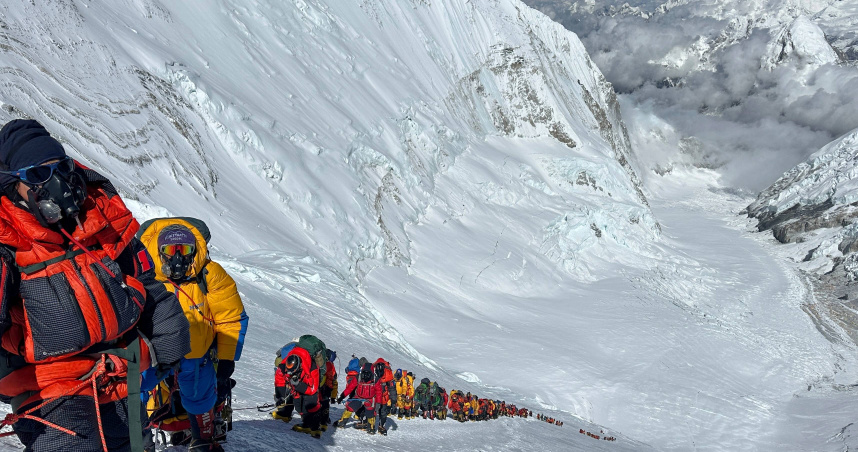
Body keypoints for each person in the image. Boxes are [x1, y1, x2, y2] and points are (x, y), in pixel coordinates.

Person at [0, 119, 191, 451]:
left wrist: (167, 339)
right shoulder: (7, 242)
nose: (55, 183)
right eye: (37, 176)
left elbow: (144, 281)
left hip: (115, 370)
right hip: (48, 384)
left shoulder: (98, 220)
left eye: (60, 168)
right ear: (11, 186)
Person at [139, 217, 248, 451]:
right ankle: (136, 441)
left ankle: (202, 439)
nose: (177, 257)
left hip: (196, 355)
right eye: (170, 250)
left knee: (199, 396)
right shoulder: (145, 274)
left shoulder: (210, 275)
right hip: (155, 354)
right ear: (159, 252)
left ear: (195, 251)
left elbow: (230, 317)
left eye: (185, 250)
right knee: (135, 389)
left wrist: (227, 358)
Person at [282, 345, 323, 438]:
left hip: (309, 388)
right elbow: (286, 375)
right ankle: (306, 423)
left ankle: (315, 428)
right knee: (298, 405)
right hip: (298, 388)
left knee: (311, 404)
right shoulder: (290, 363)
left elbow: (312, 390)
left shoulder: (313, 368)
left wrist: (298, 385)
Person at [335, 363, 379, 433]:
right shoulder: (358, 377)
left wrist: (378, 402)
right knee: (350, 407)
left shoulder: (375, 380)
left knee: (371, 412)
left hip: (370, 399)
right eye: (365, 373)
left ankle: (371, 428)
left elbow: (379, 392)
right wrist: (342, 396)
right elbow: (350, 388)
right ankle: (342, 422)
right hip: (358, 397)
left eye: (368, 373)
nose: (366, 375)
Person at [372, 359, 396, 435]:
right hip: (383, 397)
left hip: (374, 396)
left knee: (373, 410)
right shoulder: (388, 373)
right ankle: (381, 426)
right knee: (383, 412)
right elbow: (392, 388)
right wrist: (393, 401)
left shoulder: (372, 370)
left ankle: (370, 425)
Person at [319, 349, 338, 429]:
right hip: (328, 388)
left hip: (319, 387)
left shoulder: (320, 364)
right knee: (325, 404)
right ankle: (324, 420)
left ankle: (317, 419)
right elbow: (334, 383)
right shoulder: (331, 366)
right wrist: (333, 397)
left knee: (318, 403)